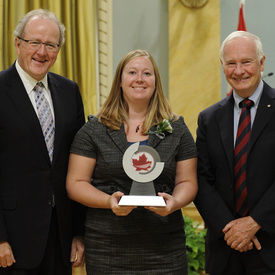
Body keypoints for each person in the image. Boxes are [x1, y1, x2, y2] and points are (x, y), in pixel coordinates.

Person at [66, 49, 198, 274]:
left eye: (147, 73)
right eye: (132, 72)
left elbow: (188, 181)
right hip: (108, 246)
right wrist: (109, 202)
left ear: (156, 81)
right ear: (119, 80)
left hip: (165, 247)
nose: (139, 79)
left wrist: (174, 203)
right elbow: (76, 184)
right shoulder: (93, 130)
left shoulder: (177, 128)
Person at [0, 9, 86, 274]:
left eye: (50, 44)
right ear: (17, 43)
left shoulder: (69, 91)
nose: (42, 52)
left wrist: (78, 232)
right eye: (34, 42)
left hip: (60, 239)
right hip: (11, 242)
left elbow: (80, 164)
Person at [194, 30, 275, 275]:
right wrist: (231, 229)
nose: (239, 71)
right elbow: (201, 178)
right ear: (222, 66)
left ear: (261, 62)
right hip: (224, 250)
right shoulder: (209, 118)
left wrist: (254, 222)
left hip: (271, 247)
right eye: (231, 63)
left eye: (246, 62)